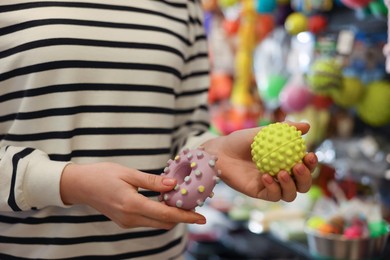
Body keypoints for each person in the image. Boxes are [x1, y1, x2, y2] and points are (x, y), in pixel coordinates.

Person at [0, 1, 317, 259]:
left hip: (159, 253)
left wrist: (213, 151)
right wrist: (66, 183)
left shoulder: (183, 5)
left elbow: (185, 126)